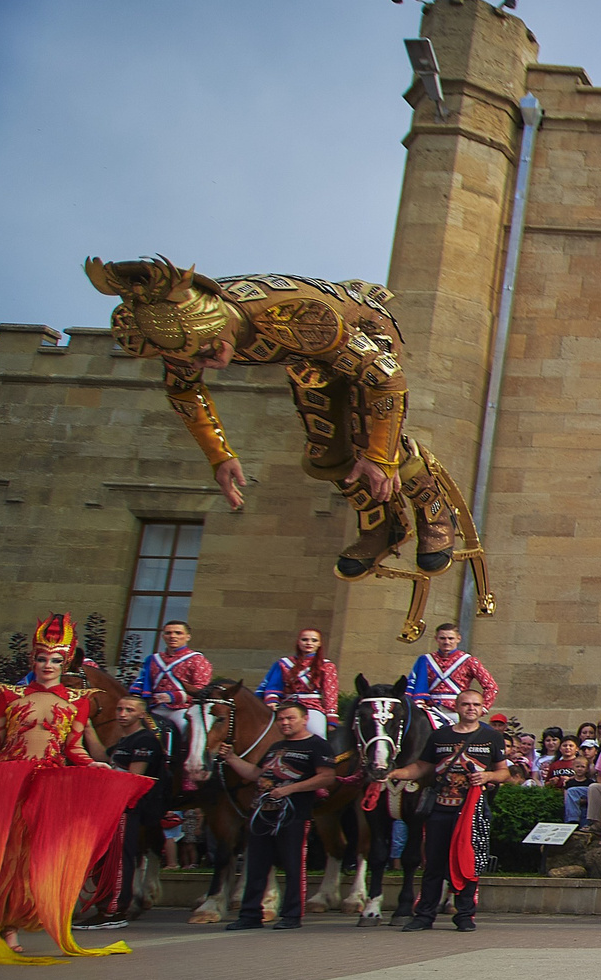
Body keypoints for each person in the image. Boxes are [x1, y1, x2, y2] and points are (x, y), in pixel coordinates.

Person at [83, 256, 485, 591]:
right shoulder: (177, 334)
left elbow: (385, 379)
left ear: (219, 324)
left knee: (374, 441)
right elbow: (185, 392)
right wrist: (220, 456)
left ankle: (433, 509)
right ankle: (381, 527)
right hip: (306, 361)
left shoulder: (295, 317)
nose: (203, 363)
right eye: (193, 359)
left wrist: (382, 456)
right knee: (327, 454)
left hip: (361, 335)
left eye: (208, 351)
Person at [0, 615, 149, 962]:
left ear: (65, 663)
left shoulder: (77, 701)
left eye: (55, 660)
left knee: (33, 858)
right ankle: (1, 927)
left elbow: (74, 748)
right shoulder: (9, 695)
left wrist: (90, 763)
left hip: (48, 785)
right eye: (41, 658)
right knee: (4, 856)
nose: (47, 665)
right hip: (10, 783)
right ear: (32, 660)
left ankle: (14, 920)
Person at [386, 688, 508, 932]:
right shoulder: (439, 736)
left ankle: (464, 915)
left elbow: (504, 772)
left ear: (483, 708)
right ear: (456, 706)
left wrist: (488, 776)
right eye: (466, 704)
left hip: (472, 809)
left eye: (475, 704)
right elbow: (422, 766)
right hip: (440, 807)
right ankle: (424, 914)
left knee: (468, 863)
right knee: (433, 863)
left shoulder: (492, 737)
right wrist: (395, 773)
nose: (471, 708)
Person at [214, 702, 337, 931]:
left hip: (293, 815)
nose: (285, 723)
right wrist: (231, 758)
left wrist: (290, 789)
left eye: (290, 718)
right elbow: (256, 774)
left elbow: (326, 777)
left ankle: (291, 915)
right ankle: (250, 914)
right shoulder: (275, 746)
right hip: (262, 813)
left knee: (293, 866)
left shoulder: (317, 746)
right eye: (281, 719)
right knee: (256, 866)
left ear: (304, 719)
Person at [100, 696, 179, 926]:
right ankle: (107, 906)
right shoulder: (124, 740)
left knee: (123, 858)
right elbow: (102, 757)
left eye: (129, 710)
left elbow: (132, 779)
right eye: (119, 708)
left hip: (129, 807)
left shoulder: (145, 740)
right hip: (114, 807)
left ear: (141, 715)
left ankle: (116, 910)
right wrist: (85, 730)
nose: (122, 713)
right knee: (112, 857)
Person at [138, 620, 214, 780]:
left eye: (178, 633)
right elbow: (142, 680)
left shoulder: (197, 660)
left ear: (187, 636)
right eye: (168, 632)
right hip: (152, 706)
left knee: (188, 731)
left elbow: (202, 689)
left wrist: (173, 696)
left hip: (181, 709)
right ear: (163, 636)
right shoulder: (153, 659)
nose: (172, 636)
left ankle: (187, 774)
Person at [404, 623, 499, 727]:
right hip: (429, 710)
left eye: (451, 638)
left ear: (458, 639)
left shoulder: (469, 661)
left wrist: (482, 708)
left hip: (457, 712)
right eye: (442, 638)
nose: (447, 642)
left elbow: (491, 686)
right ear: (436, 639)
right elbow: (412, 683)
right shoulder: (425, 660)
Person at [255, 629, 339, 739]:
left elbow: (330, 693)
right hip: (286, 704)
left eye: (314, 640)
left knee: (318, 733)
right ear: (298, 642)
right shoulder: (283, 663)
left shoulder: (327, 666)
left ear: (319, 644)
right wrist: (272, 701)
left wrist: (331, 717)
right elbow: (274, 686)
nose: (309, 643)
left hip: (312, 707)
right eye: (305, 640)